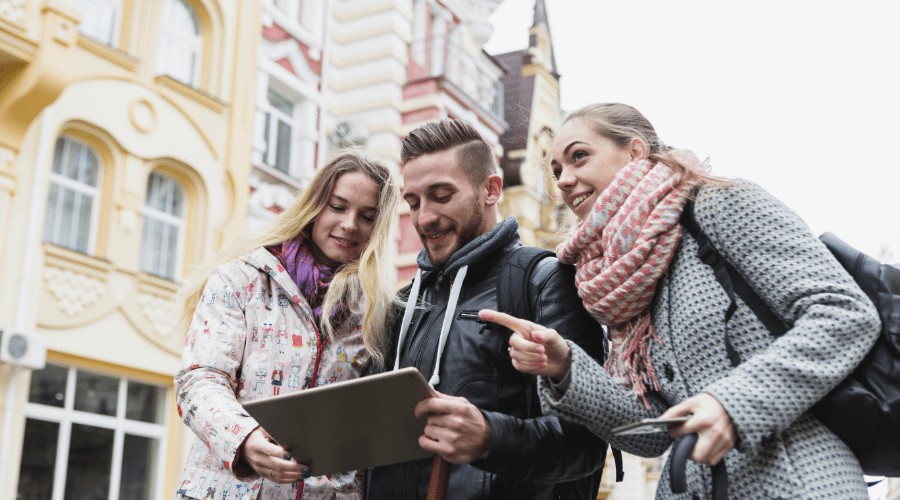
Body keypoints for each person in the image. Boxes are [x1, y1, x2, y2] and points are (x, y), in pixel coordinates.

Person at [479, 103, 881, 499]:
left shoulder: (719, 203)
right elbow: (651, 434)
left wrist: (731, 405)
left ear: (635, 152)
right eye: (556, 170)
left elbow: (845, 313)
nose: (564, 180)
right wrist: (566, 367)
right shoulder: (616, 279)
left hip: (798, 479)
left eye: (579, 157)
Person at [365, 119, 609, 500]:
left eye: (441, 195)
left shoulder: (544, 281)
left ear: (491, 190)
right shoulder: (404, 303)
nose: (424, 217)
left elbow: (587, 444)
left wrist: (489, 438)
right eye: (413, 202)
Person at [173, 151, 400, 500]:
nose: (350, 224)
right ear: (314, 206)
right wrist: (244, 439)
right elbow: (199, 379)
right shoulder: (241, 278)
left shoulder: (375, 313)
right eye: (338, 207)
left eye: (367, 216)